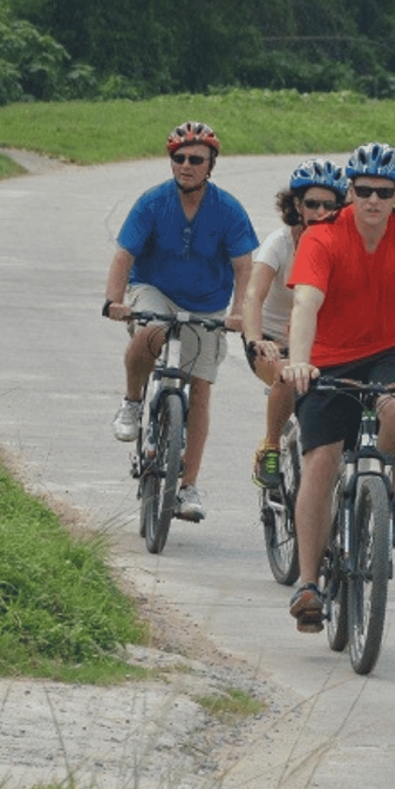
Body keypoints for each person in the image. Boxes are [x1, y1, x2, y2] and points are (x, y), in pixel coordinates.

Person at [280, 142, 395, 633]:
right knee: (321, 460)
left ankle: (390, 497)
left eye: (384, 192)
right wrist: (298, 362)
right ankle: (309, 582)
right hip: (327, 356)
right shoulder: (323, 237)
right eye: (362, 191)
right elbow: (306, 305)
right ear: (348, 192)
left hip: (394, 347)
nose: (373, 201)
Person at [104, 121, 258, 521]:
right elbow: (123, 257)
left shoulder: (228, 209)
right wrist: (114, 301)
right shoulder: (153, 202)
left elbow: (245, 267)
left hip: (207, 302)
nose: (186, 165)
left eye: (196, 159)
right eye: (179, 158)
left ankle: (187, 485)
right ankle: (133, 402)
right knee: (151, 331)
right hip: (154, 289)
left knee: (201, 388)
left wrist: (239, 311)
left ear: (211, 164)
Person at [241, 159, 347, 488]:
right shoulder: (280, 243)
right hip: (275, 341)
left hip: (324, 345)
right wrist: (256, 339)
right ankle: (270, 446)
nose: (320, 212)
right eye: (312, 203)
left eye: (330, 205)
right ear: (297, 205)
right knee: (288, 376)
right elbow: (253, 297)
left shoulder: (345, 245)